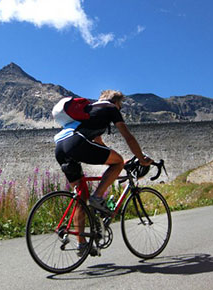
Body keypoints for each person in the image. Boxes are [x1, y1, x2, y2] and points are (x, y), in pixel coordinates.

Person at [54, 90, 153, 253]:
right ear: (116, 102)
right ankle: (98, 197)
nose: (119, 109)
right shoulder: (111, 109)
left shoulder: (90, 111)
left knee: (80, 195)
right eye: (120, 106)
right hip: (76, 142)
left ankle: (82, 243)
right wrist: (140, 158)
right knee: (117, 162)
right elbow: (128, 136)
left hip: (60, 146)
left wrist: (116, 162)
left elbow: (99, 144)